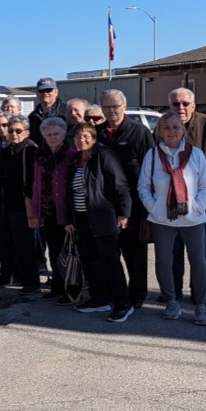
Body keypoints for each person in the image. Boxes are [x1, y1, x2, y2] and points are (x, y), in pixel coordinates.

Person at [138, 112, 206, 326]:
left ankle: (200, 305)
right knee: (164, 261)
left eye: (176, 127)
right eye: (167, 128)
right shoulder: (152, 155)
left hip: (192, 219)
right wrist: (153, 206)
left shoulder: (196, 154)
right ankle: (171, 301)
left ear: (183, 130)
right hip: (162, 218)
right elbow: (143, 185)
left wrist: (197, 207)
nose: (172, 131)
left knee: (198, 262)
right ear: (160, 131)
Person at [161, 87, 206, 301]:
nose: (180, 107)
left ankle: (199, 293)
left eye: (185, 103)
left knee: (199, 248)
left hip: (202, 197)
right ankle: (174, 292)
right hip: (173, 196)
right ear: (169, 105)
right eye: (175, 103)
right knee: (174, 246)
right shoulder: (164, 124)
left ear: (193, 105)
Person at [69, 123, 134, 322]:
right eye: (78, 136)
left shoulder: (104, 155)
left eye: (86, 135)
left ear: (94, 137)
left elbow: (120, 184)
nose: (82, 140)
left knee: (110, 261)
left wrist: (124, 213)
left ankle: (123, 304)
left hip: (103, 216)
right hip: (82, 217)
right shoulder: (76, 159)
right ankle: (100, 299)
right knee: (91, 260)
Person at [97, 89, 155, 308]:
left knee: (135, 255)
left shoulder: (139, 133)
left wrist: (149, 209)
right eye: (106, 107)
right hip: (106, 206)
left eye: (115, 106)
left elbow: (151, 170)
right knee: (111, 254)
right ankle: (116, 293)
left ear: (125, 105)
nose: (111, 111)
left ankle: (137, 295)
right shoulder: (98, 133)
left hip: (136, 206)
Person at [29, 116, 81, 304]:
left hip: (66, 212)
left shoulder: (72, 154)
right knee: (53, 252)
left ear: (64, 134)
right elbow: (36, 184)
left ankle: (71, 291)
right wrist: (35, 212)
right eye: (49, 134)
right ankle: (57, 288)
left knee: (68, 253)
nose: (53, 137)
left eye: (56, 134)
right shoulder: (41, 156)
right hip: (49, 210)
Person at [0, 115, 39, 296]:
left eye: (18, 131)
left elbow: (34, 181)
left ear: (27, 132)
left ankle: (31, 282)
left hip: (22, 206)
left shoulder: (31, 150)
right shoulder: (7, 150)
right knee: (4, 243)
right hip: (4, 204)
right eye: (11, 131)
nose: (14, 134)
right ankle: (7, 275)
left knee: (23, 245)